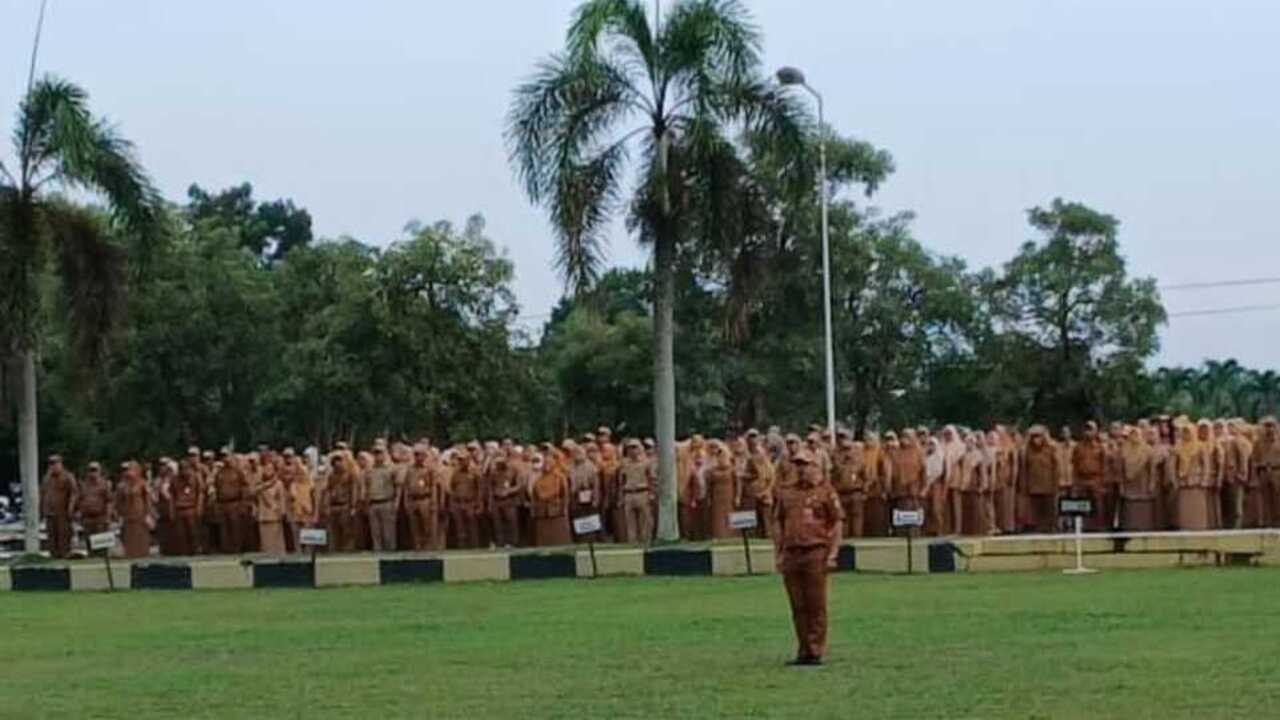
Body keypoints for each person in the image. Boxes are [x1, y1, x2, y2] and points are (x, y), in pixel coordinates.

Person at [772, 450, 843, 667]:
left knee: (815, 603)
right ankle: (803, 648)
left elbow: (837, 521)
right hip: (792, 552)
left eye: (806, 464)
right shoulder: (786, 493)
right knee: (797, 604)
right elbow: (778, 521)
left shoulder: (825, 492)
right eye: (798, 465)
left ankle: (815, 649)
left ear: (816, 466)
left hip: (815, 550)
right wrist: (778, 550)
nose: (802, 469)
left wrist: (833, 553)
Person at [1173, 422, 1211, 530]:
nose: (1186, 434)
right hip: (1183, 483)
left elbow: (1206, 464)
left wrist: (1204, 480)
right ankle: (1185, 527)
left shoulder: (1200, 446)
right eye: (1184, 432)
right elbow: (1173, 465)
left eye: (1188, 432)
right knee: (1185, 509)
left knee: (1197, 508)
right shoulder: (1178, 447)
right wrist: (1175, 480)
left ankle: (1199, 527)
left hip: (1197, 483)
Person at [529, 449, 572, 546]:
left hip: (557, 512)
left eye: (549, 462)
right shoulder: (538, 480)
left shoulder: (560, 477)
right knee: (543, 538)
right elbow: (534, 497)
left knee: (559, 537)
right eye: (545, 463)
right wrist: (534, 510)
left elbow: (565, 495)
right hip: (542, 513)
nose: (547, 465)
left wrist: (564, 509)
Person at [1022, 426, 1060, 534]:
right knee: (1035, 509)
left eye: (1038, 437)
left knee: (1049, 509)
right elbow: (1025, 469)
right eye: (1034, 437)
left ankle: (1051, 528)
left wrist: (1055, 484)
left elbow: (1056, 468)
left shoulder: (1051, 449)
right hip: (1033, 486)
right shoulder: (1028, 451)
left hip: (1048, 486)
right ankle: (1038, 527)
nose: (1036, 440)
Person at [1118, 426, 1157, 531]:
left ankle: (1144, 529)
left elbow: (1152, 470)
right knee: (1130, 510)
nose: (1134, 437)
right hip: (1129, 487)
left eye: (1137, 434)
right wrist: (1121, 486)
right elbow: (1121, 471)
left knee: (1143, 509)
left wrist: (1151, 484)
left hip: (1143, 485)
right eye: (1132, 434)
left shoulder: (1148, 450)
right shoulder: (1124, 450)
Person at [363, 443, 400, 552]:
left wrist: (396, 502)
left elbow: (397, 486)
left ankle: (390, 556)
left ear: (385, 453)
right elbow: (367, 487)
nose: (377, 455)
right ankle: (377, 555)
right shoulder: (369, 470)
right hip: (373, 503)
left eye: (380, 452)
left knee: (388, 533)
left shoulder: (392, 468)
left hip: (387, 502)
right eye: (375, 453)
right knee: (375, 533)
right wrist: (366, 503)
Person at [619, 439, 655, 546]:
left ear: (640, 448)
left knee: (645, 521)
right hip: (629, 493)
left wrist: (652, 493)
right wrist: (621, 496)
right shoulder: (625, 463)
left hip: (642, 492)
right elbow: (622, 480)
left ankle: (645, 542)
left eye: (635, 447)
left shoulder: (647, 462)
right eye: (630, 448)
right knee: (630, 522)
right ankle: (632, 543)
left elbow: (651, 478)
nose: (632, 450)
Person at [41, 454, 78, 558]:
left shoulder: (68, 476)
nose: (53, 466)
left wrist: (71, 507)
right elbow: (43, 493)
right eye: (51, 464)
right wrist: (42, 508)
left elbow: (74, 493)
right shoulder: (46, 478)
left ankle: (65, 553)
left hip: (63, 511)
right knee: (51, 534)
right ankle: (54, 554)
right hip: (49, 512)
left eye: (55, 463)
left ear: (61, 464)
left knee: (63, 533)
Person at [322, 451, 359, 552]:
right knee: (333, 532)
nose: (337, 463)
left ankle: (347, 552)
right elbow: (328, 491)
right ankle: (334, 551)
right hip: (334, 506)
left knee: (347, 532)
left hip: (345, 506)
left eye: (339, 460)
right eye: (335, 461)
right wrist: (326, 506)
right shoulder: (331, 476)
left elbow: (354, 491)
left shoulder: (351, 474)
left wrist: (353, 507)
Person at [488, 447, 524, 548]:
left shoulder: (514, 470)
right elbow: (490, 486)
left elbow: (519, 485)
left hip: (509, 500)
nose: (499, 462)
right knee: (497, 524)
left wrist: (508, 491)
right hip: (497, 501)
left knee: (511, 522)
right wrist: (490, 502)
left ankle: (512, 543)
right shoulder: (494, 472)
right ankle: (500, 543)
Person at [566, 443, 603, 542]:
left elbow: (596, 485)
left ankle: (592, 540)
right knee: (578, 520)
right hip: (575, 497)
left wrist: (595, 499)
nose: (578, 454)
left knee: (590, 520)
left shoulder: (591, 466)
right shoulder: (569, 467)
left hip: (588, 496)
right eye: (576, 452)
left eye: (580, 452)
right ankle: (580, 540)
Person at [116, 461, 152, 558]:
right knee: (129, 537)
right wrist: (119, 515)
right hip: (128, 516)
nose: (129, 473)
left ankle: (143, 555)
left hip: (140, 515)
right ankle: (130, 555)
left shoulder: (142, 484)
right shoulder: (122, 486)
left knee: (141, 537)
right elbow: (119, 502)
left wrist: (148, 515)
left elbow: (148, 500)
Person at [170, 457, 204, 555]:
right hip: (179, 509)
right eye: (181, 468)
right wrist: (171, 510)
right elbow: (172, 496)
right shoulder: (175, 480)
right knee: (181, 533)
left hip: (191, 508)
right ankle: (183, 551)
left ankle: (196, 550)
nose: (184, 470)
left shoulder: (196, 477)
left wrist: (199, 507)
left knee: (193, 532)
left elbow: (200, 493)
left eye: (186, 468)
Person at [1251, 418, 1280, 528]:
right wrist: (1259, 467)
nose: (1269, 429)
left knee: (1277, 499)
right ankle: (1268, 522)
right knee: (1265, 499)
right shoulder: (1258, 443)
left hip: (1277, 472)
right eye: (1267, 426)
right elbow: (1253, 459)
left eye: (1272, 426)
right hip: (1263, 472)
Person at [706, 440, 737, 539]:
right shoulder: (712, 470)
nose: (721, 458)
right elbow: (709, 485)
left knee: (729, 515)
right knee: (717, 516)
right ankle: (719, 535)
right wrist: (709, 497)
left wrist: (737, 496)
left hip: (729, 495)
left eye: (723, 455)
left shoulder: (732, 469)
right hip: (717, 496)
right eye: (719, 456)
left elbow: (738, 484)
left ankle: (730, 535)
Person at [255, 460, 287, 555]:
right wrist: (267, 484)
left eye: (270, 469)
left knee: (276, 539)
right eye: (266, 469)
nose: (267, 471)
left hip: (274, 514)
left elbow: (282, 499)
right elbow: (253, 492)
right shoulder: (260, 484)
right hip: (263, 515)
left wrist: (282, 512)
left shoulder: (278, 484)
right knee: (265, 540)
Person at [77, 461, 113, 540]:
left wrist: (108, 517)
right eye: (90, 470)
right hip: (87, 520)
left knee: (100, 546)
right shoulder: (83, 485)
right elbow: (80, 500)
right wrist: (80, 513)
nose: (92, 473)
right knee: (89, 544)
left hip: (100, 519)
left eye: (95, 470)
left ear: (99, 471)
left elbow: (109, 501)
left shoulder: (105, 484)